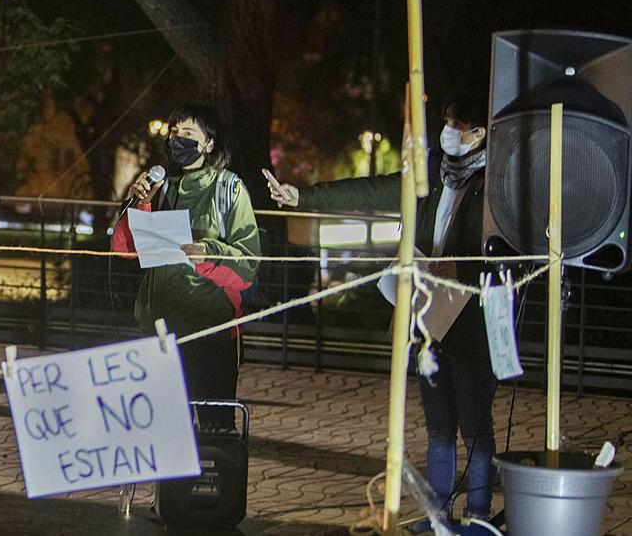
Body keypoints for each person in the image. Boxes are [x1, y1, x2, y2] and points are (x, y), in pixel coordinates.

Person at [268, 96, 497, 532]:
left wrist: (462, 266)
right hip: (429, 315)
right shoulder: (431, 170)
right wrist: (304, 196)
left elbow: (507, 251)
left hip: (472, 319)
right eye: (446, 121)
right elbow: (372, 188)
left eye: (458, 124)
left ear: (480, 133)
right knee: (439, 427)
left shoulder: (495, 183)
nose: (448, 130)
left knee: (476, 426)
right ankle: (437, 514)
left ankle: (478, 516)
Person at [111, 102, 261, 432]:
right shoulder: (163, 188)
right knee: (166, 431)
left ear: (209, 144)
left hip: (211, 331)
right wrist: (140, 203)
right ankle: (172, 485)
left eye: (188, 133)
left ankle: (213, 480)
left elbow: (247, 265)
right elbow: (123, 250)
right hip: (160, 330)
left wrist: (208, 253)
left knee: (214, 431)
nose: (178, 139)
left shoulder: (229, 189)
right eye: (174, 133)